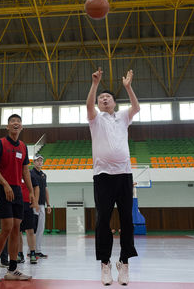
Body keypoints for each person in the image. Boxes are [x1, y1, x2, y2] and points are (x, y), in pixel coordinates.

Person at [86, 68, 139, 286]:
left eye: (108, 97)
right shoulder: (95, 119)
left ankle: (124, 263)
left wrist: (128, 87)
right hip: (103, 176)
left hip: (124, 175)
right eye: (101, 98)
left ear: (114, 102)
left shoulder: (123, 117)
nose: (104, 99)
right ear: (99, 104)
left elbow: (136, 107)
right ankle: (105, 264)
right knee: (102, 221)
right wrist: (95, 85)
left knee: (127, 220)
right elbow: (88, 105)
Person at [0, 114, 36, 282]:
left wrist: (31, 192)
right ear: (7, 127)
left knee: (16, 229)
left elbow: (25, 171)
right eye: (12, 122)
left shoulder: (23, 146)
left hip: (17, 191)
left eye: (18, 122)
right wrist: (4, 185)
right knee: (6, 227)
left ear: (21, 127)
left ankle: (12, 269)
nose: (16, 124)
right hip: (3, 188)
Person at [29, 155, 50, 259]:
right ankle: (31, 250)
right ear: (34, 162)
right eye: (38, 160)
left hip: (42, 204)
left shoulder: (43, 175)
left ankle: (38, 250)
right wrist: (34, 202)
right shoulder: (30, 173)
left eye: (41, 160)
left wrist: (48, 204)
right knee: (33, 228)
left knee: (41, 228)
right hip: (34, 205)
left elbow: (46, 190)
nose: (40, 162)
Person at [19, 174, 39, 263]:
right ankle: (19, 254)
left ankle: (32, 253)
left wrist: (35, 201)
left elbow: (36, 188)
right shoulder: (15, 173)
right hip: (17, 203)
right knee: (17, 231)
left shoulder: (30, 175)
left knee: (30, 230)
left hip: (28, 204)